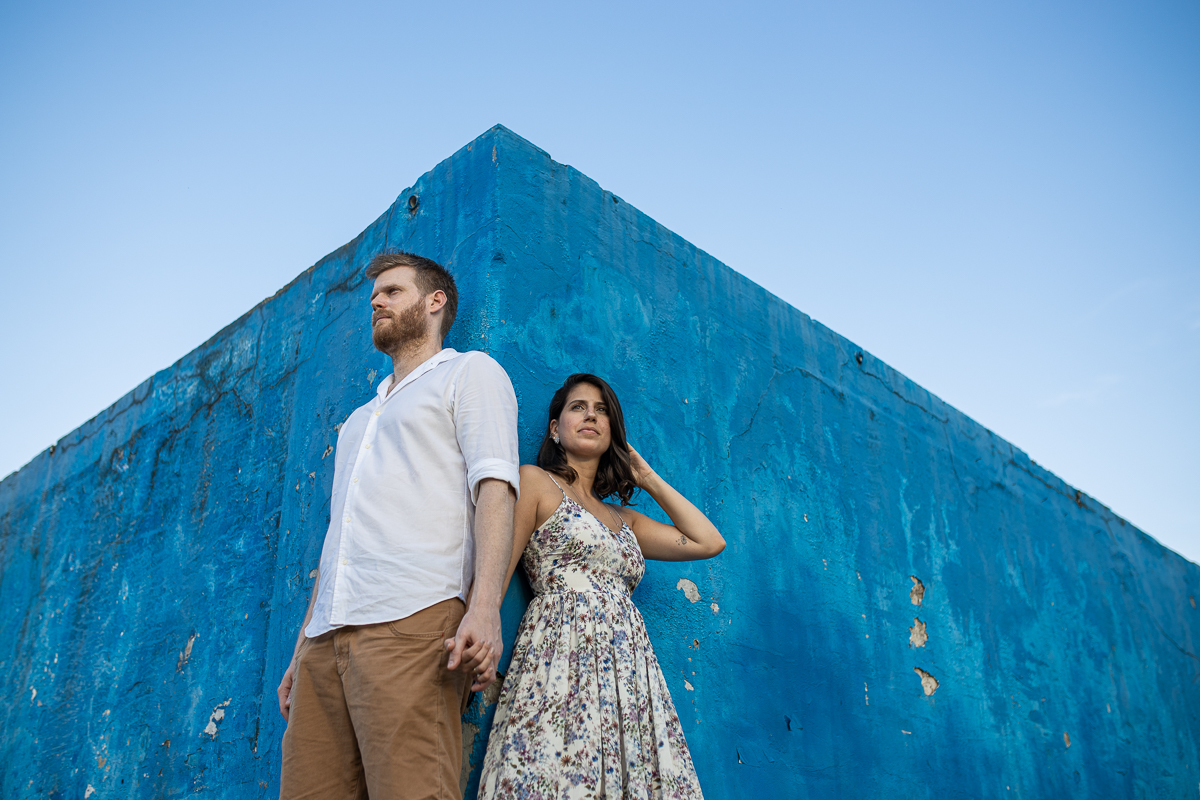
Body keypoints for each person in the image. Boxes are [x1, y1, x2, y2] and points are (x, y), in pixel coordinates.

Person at [275, 251, 519, 800]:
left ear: (435, 302)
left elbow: (496, 487)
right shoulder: (357, 421)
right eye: (373, 296)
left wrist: (484, 608)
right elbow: (338, 539)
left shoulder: (469, 373)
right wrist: (300, 650)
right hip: (323, 643)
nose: (377, 302)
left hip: (413, 621)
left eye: (392, 292)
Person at [478, 373, 726, 799]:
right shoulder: (535, 482)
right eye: (578, 407)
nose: (591, 415)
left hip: (627, 671)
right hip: (561, 655)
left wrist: (646, 477)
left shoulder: (624, 520)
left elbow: (709, 542)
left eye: (601, 410)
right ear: (555, 429)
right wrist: (482, 632)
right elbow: (498, 567)